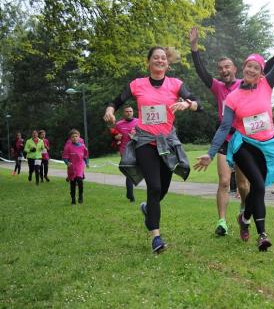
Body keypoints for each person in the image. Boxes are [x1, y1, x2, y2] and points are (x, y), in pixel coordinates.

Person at [194, 15, 274, 252]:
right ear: (243, 69)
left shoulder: (266, 84)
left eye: (256, 67)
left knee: (256, 187)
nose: (252, 69)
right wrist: (211, 154)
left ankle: (243, 219)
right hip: (243, 145)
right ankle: (262, 234)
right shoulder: (232, 97)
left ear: (261, 71)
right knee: (259, 188)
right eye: (249, 66)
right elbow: (225, 127)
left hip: (266, 145)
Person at [103, 46, 201, 254]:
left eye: (163, 58)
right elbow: (116, 100)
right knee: (154, 187)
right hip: (145, 142)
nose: (159, 60)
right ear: (148, 62)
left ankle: (148, 209)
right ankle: (156, 238)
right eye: (155, 58)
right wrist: (110, 110)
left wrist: (187, 104)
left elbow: (197, 103)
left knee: (163, 187)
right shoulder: (137, 84)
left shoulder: (176, 84)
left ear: (167, 63)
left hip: (167, 143)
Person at [114, 105, 138, 202]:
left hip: (137, 149)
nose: (129, 113)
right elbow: (114, 138)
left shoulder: (139, 122)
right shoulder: (119, 124)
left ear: (133, 112)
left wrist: (135, 136)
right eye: (127, 111)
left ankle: (129, 193)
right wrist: (116, 138)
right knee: (129, 172)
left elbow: (145, 135)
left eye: (130, 111)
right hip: (124, 151)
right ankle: (130, 195)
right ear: (124, 113)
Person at [63, 129, 89, 205]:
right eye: (73, 137)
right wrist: (67, 163)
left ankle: (80, 196)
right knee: (73, 183)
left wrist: (87, 163)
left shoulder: (83, 146)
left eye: (76, 136)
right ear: (70, 138)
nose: (75, 138)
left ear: (79, 137)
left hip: (80, 165)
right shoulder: (68, 147)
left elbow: (85, 156)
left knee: (80, 181)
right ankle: (73, 199)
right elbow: (65, 157)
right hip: (72, 167)